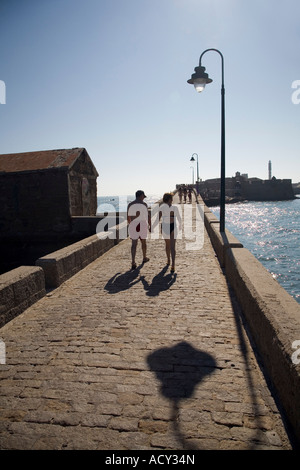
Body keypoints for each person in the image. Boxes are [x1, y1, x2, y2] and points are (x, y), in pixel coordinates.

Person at [127, 190, 151, 270]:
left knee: (134, 244)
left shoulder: (130, 205)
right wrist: (150, 225)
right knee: (143, 242)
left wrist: (130, 224)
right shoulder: (144, 204)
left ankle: (133, 261)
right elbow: (147, 216)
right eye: (143, 196)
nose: (144, 198)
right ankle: (144, 257)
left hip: (134, 224)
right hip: (142, 224)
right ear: (140, 196)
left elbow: (128, 217)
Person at [159, 193, 181, 273]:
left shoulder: (161, 207)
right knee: (173, 247)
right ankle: (173, 265)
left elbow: (158, 218)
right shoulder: (174, 208)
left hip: (165, 226)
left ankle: (168, 260)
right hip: (173, 226)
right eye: (171, 198)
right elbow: (179, 218)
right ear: (170, 199)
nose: (172, 199)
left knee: (167, 245)